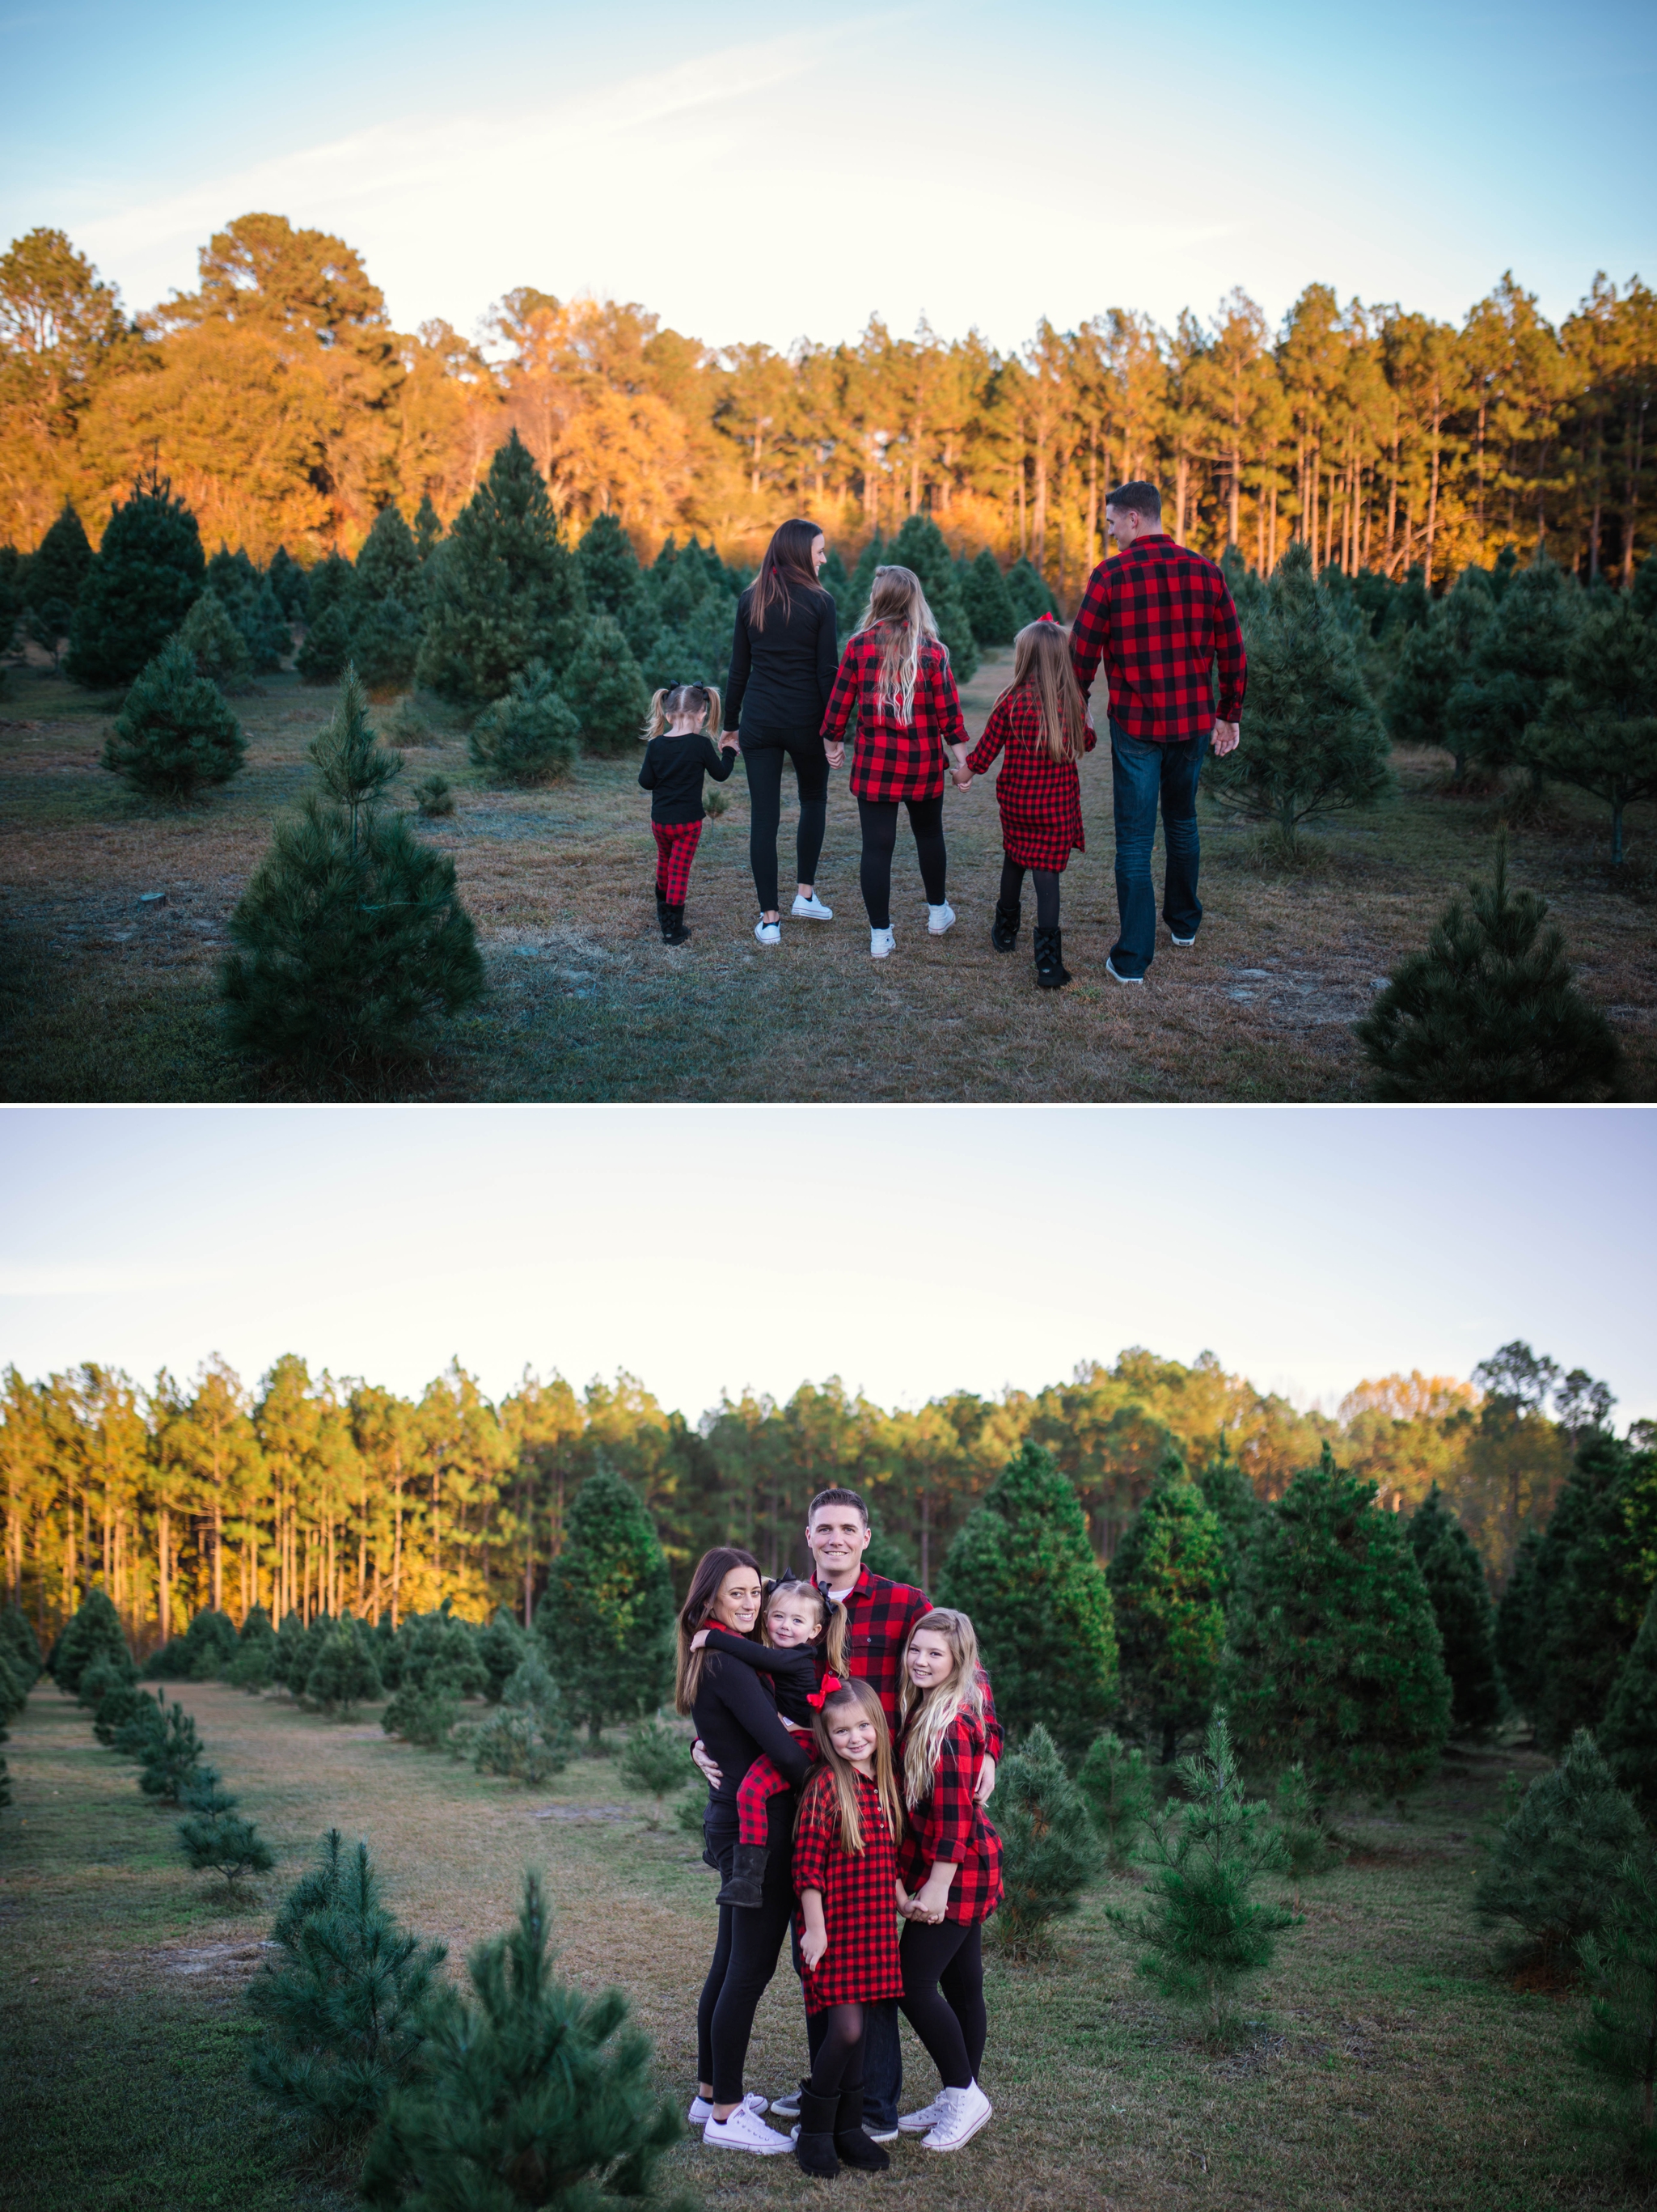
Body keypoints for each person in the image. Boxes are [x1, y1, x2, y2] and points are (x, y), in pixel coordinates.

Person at [1067, 480, 1247, 983]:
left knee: (1134, 839)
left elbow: (1080, 657)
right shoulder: (1205, 572)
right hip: (1191, 722)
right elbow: (1232, 651)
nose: (1110, 535)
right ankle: (1184, 923)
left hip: (1137, 726)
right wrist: (1228, 713)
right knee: (1182, 821)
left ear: (1134, 519)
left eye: (1111, 524)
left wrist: (1076, 710)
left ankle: (1132, 959)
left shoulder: (1109, 577)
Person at [677, 1546, 810, 2155]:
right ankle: (728, 2114)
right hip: (760, 1828)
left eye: (755, 1591)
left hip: (734, 1819)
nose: (751, 1603)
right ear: (709, 1599)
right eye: (737, 1593)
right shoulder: (728, 1664)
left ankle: (709, 2091)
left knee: (729, 1961)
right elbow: (782, 1756)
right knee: (748, 1970)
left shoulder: (716, 1655)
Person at [819, 564, 970, 960]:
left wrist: (832, 743)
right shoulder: (932, 651)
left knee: (877, 847)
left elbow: (840, 705)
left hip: (875, 767)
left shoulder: (858, 647)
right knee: (929, 835)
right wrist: (961, 765)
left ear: (880, 598)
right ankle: (938, 913)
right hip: (922, 764)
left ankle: (880, 935)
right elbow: (949, 714)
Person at [894, 1607, 1002, 2153]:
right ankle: (960, 2090)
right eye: (915, 1648)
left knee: (908, 1983)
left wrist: (935, 1886)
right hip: (962, 1863)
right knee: (962, 1982)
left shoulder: (953, 1721)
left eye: (935, 1653)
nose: (920, 1659)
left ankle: (963, 2093)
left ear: (958, 1660)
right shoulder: (925, 1706)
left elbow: (955, 1814)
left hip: (958, 1869)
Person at [789, 1677, 907, 2178]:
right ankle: (815, 2129)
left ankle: (849, 2127)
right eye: (841, 1732)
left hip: (875, 1926)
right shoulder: (826, 1785)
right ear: (826, 1737)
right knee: (847, 2028)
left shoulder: (882, 1783)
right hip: (835, 1927)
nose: (855, 1738)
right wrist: (814, 1930)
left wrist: (903, 1898)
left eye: (863, 1726)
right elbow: (807, 1866)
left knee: (861, 2035)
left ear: (877, 1726)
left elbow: (886, 1857)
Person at [690, 1571, 847, 1906]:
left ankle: (748, 1877)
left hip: (803, 1741)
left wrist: (712, 1638)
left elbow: (759, 1656)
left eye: (797, 1620)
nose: (785, 1626)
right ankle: (735, 1861)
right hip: (786, 1737)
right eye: (778, 1616)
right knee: (750, 1791)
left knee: (752, 1790)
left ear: (815, 1631)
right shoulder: (770, 1652)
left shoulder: (797, 1655)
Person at [722, 519, 841, 945]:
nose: (824, 558)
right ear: (799, 552)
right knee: (813, 800)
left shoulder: (749, 599)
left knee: (764, 818)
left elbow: (739, 671)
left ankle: (770, 921)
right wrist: (833, 731)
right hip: (807, 721)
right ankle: (804, 894)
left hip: (759, 722)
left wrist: (730, 726)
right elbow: (828, 673)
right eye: (820, 551)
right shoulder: (821, 602)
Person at [964, 613, 1097, 989]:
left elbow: (985, 752)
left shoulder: (1009, 700)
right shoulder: (1070, 703)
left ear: (1024, 658)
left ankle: (1005, 932)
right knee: (1046, 878)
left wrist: (964, 772)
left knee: (1014, 860)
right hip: (1055, 809)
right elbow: (1087, 744)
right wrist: (1086, 718)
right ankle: (1048, 964)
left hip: (1018, 805)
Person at [638, 681, 738, 945]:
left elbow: (645, 782)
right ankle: (672, 929)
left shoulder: (655, 745)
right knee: (679, 871)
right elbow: (721, 773)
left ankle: (663, 910)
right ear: (702, 714)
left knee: (665, 861)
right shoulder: (701, 745)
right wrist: (730, 751)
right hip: (688, 824)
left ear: (668, 714)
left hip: (660, 822)